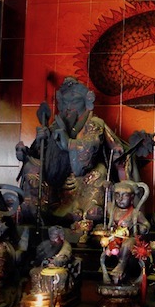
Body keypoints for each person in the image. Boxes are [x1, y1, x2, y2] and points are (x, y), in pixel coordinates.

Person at [29, 76, 136, 223]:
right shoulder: (56, 126)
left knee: (99, 172)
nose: (69, 107)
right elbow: (40, 156)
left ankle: (88, 212)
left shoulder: (94, 123)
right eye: (65, 102)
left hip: (86, 178)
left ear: (87, 102)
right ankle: (41, 210)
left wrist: (68, 144)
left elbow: (89, 148)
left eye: (74, 102)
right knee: (34, 172)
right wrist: (41, 141)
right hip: (59, 182)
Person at [98, 180, 150, 284]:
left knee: (127, 244)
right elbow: (106, 201)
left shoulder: (135, 213)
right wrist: (107, 189)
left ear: (132, 197)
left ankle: (121, 265)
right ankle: (106, 274)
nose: (120, 199)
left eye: (124, 195)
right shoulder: (112, 210)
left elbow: (146, 225)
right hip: (114, 238)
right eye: (117, 195)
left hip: (129, 238)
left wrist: (142, 228)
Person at [30, 225, 77, 297]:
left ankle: (56, 295)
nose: (54, 241)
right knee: (34, 272)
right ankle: (39, 293)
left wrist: (54, 262)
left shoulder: (66, 246)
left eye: (56, 238)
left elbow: (63, 257)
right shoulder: (46, 244)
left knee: (58, 276)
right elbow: (39, 256)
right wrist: (44, 260)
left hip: (61, 268)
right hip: (45, 266)